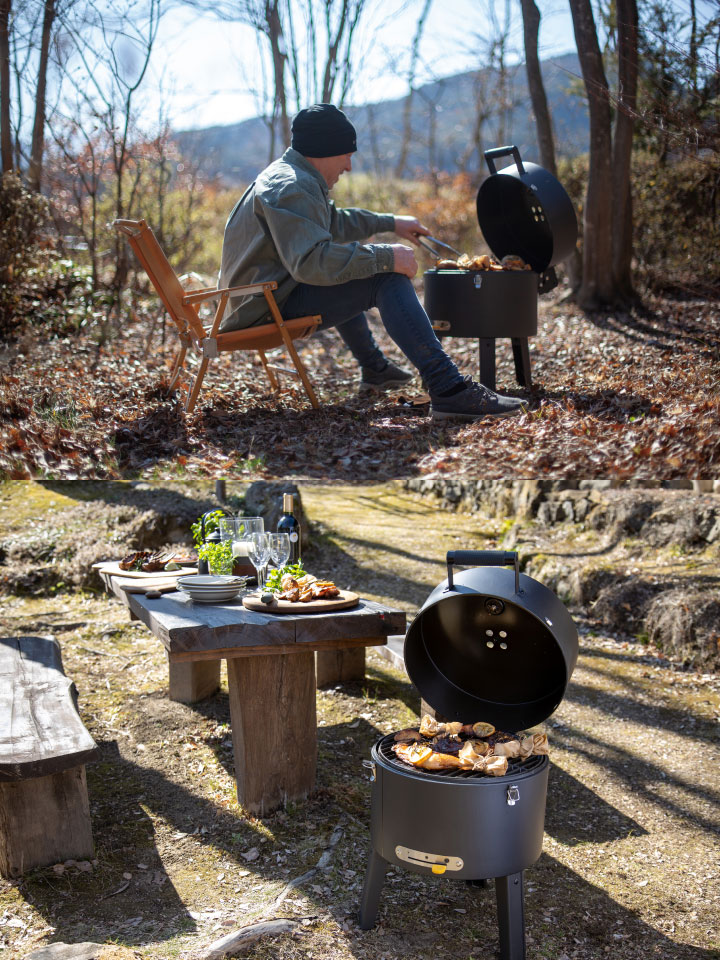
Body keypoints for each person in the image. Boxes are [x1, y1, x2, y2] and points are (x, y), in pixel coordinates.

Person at [219, 103, 526, 421]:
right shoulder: (292, 187)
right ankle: (448, 389)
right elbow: (312, 262)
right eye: (347, 154)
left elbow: (335, 223)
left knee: (352, 264)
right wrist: (386, 256)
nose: (349, 166)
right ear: (326, 150)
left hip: (258, 299)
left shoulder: (292, 176)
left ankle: (376, 369)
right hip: (261, 309)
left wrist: (392, 222)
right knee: (384, 276)